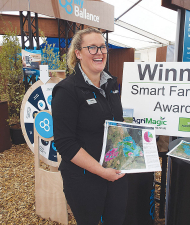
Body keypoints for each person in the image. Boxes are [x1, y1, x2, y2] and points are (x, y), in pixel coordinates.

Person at [51, 27, 128, 225]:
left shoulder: (111, 85)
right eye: (92, 48)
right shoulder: (67, 91)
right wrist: (102, 171)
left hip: (114, 174)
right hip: (84, 180)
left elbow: (116, 126)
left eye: (102, 47)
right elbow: (65, 143)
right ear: (78, 53)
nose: (99, 53)